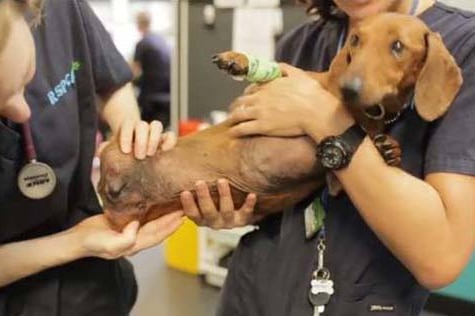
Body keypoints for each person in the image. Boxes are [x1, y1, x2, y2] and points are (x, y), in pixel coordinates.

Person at [180, 0, 475, 315]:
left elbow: (440, 259)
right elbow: (260, 166)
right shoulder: (301, 41)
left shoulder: (465, 45)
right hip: (251, 292)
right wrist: (240, 205)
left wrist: (320, 117)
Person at [0, 1, 183, 315]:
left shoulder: (61, 9)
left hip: (90, 273)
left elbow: (109, 80)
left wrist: (129, 136)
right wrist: (76, 243)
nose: (23, 110)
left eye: (26, 77)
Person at [132, 11, 171, 128]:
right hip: (167, 98)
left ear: (138, 25)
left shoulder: (142, 44)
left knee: (146, 133)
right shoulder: (161, 41)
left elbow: (134, 72)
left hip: (150, 100)